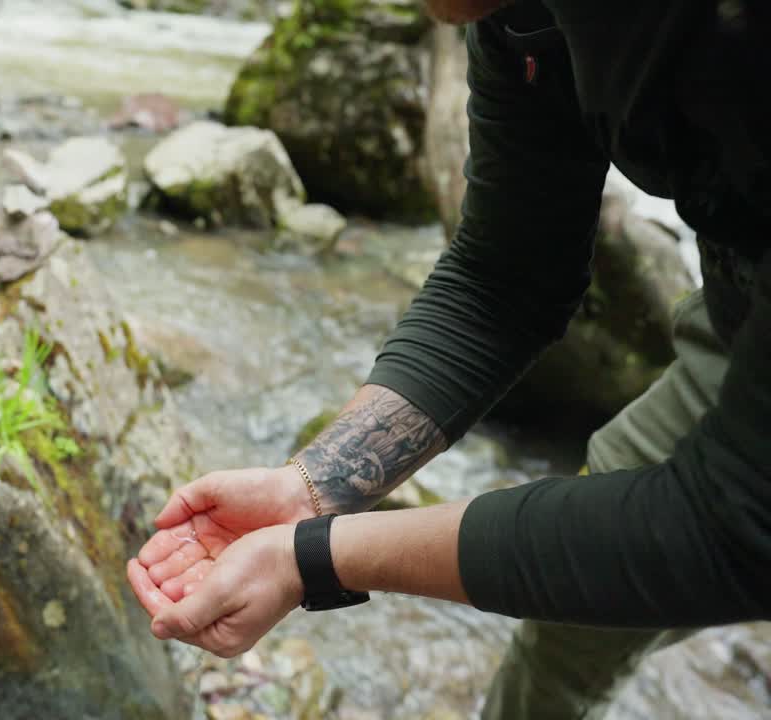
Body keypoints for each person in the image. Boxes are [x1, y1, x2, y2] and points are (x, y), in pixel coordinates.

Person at [125, 0, 770, 717]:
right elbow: (505, 279)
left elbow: (734, 525)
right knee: (581, 609)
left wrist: (311, 556)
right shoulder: (516, 12)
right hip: (741, 309)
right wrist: (312, 490)